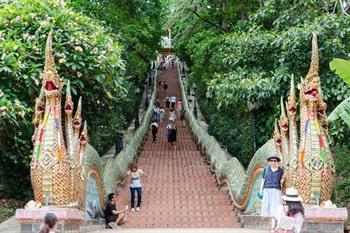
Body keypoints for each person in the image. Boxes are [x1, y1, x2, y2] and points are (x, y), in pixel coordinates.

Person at [260, 154, 284, 218]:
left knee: (275, 204)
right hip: (266, 189)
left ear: (277, 162)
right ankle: (265, 218)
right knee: (266, 204)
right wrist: (260, 191)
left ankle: (275, 218)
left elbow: (282, 181)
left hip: (276, 189)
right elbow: (263, 180)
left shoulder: (281, 171)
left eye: (275, 160)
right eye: (272, 160)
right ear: (269, 162)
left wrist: (282, 181)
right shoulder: (266, 169)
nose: (273, 162)